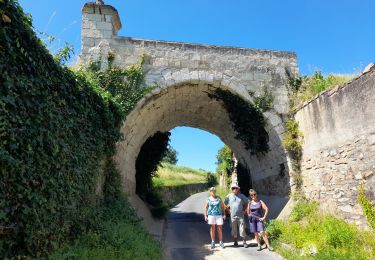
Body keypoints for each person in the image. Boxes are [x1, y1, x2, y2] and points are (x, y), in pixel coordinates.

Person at [224, 183, 249, 247]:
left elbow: (248, 202)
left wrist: (245, 211)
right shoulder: (228, 196)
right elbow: (224, 204)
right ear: (231, 189)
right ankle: (235, 242)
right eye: (233, 188)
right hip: (233, 216)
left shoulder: (241, 196)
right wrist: (228, 211)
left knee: (242, 229)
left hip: (240, 216)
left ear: (238, 189)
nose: (234, 189)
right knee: (234, 229)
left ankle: (244, 242)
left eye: (235, 188)